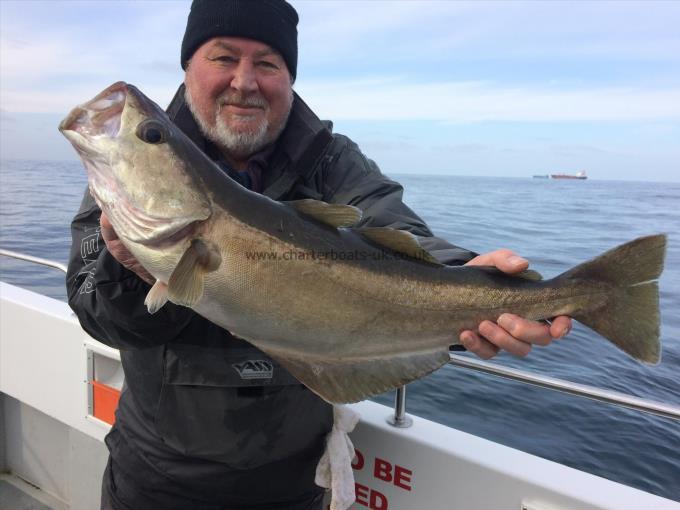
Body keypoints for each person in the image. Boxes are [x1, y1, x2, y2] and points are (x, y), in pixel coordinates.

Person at [66, 1, 572, 509]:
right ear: (188, 68)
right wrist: (128, 271)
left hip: (296, 482)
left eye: (267, 63)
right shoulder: (126, 177)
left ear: (289, 77)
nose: (245, 81)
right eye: (223, 58)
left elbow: (397, 232)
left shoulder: (331, 160)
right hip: (157, 481)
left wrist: (468, 278)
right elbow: (95, 309)